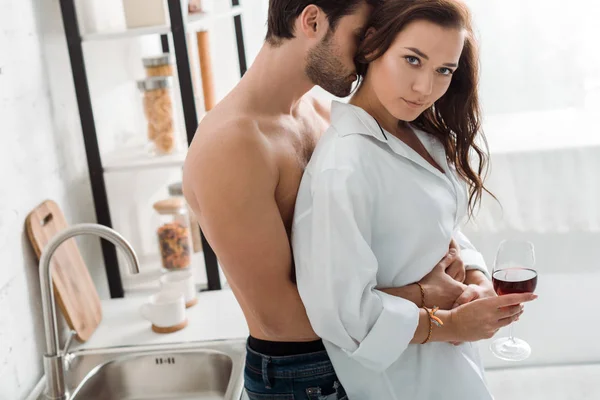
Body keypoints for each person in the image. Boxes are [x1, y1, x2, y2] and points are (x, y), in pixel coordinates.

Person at [291, 1, 538, 399]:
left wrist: (476, 281)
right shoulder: (344, 167)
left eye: (444, 70)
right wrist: (453, 325)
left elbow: (440, 226)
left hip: (450, 365)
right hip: (402, 379)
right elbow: (342, 313)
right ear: (372, 46)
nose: (425, 87)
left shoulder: (418, 136)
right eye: (412, 60)